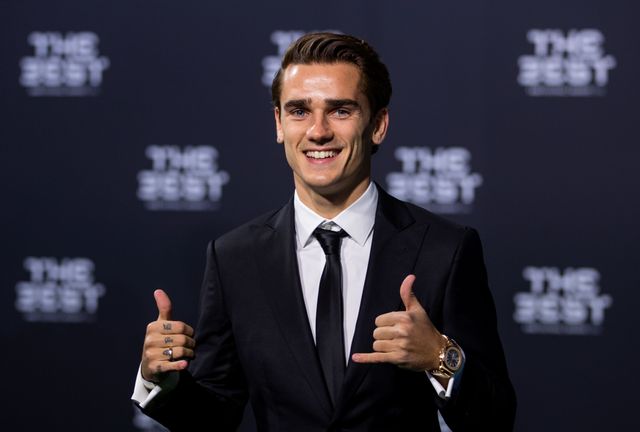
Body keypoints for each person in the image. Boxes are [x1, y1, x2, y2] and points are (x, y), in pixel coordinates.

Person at [132, 32, 516, 431]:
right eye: (299, 111)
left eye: (340, 111)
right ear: (279, 123)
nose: (318, 131)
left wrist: (440, 356)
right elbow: (215, 414)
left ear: (379, 125)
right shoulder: (234, 257)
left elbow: (497, 417)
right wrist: (161, 381)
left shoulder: (445, 249)